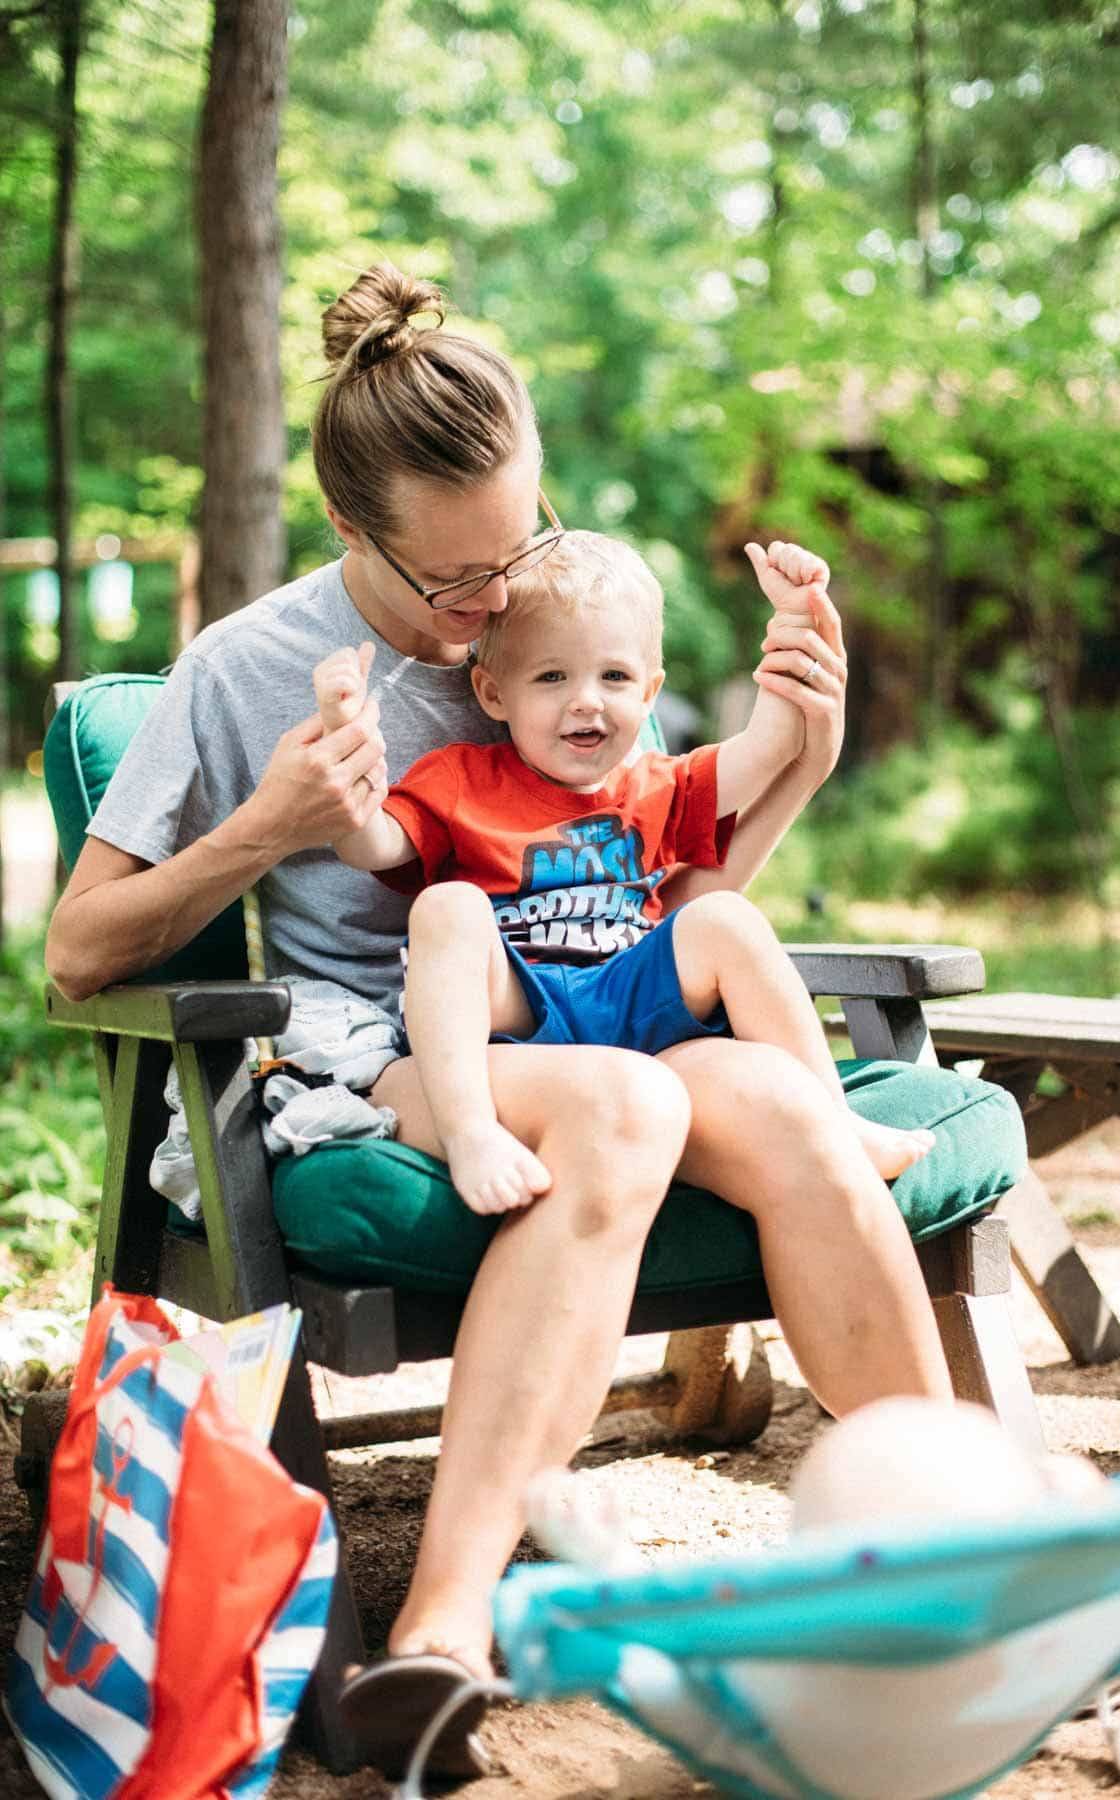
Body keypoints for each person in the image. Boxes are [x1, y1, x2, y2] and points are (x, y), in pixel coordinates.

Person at [45, 265, 955, 1782]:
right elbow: (78, 953)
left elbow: (661, 891)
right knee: (620, 1105)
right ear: (351, 536)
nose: (495, 608)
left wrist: (804, 754)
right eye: (453, 586)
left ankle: (955, 1550)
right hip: (396, 1052)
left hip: (604, 1015)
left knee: (786, 1105)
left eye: (518, 546)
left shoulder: (566, 617)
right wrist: (265, 826)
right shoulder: (241, 670)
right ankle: (445, 1634)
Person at [312, 530, 935, 1216]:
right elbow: (368, 846)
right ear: (493, 693)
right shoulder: (461, 780)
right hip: (518, 1006)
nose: (586, 701)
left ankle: (831, 1117)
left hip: (630, 988)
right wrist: (346, 757)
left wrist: (794, 619)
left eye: (614, 677)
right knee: (447, 907)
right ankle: (470, 1134)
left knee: (723, 919)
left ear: (651, 690)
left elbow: (772, 746)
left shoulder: (657, 782)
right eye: (551, 677)